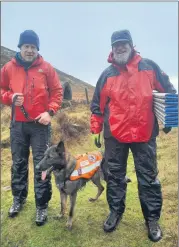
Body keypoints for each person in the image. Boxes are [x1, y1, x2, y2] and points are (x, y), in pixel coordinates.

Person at [90, 29, 176, 242]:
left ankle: (152, 219)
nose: (120, 48)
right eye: (116, 45)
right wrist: (95, 130)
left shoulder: (149, 67)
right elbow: (96, 106)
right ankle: (116, 212)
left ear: (131, 45)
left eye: (123, 44)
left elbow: (170, 91)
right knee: (115, 176)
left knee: (148, 178)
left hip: (144, 133)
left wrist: (170, 120)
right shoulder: (107, 74)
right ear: (112, 48)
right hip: (115, 135)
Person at [1, 30, 63, 226]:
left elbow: (58, 92)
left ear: (37, 49)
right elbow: (1, 90)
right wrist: (9, 98)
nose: (29, 50)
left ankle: (42, 206)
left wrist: (50, 112)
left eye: (33, 47)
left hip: (40, 126)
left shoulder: (47, 68)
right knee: (18, 163)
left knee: (42, 165)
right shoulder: (8, 68)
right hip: (17, 125)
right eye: (26, 46)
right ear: (20, 47)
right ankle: (18, 199)